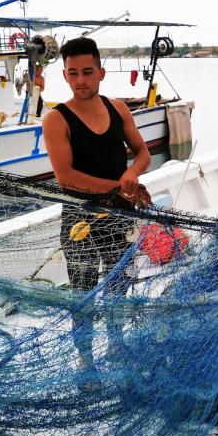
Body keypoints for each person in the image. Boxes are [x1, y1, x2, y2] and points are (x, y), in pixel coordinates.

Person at [42, 36, 151, 373]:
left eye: (87, 72)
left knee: (120, 286)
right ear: (65, 76)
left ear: (101, 72)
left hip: (121, 216)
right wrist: (123, 185)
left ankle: (117, 346)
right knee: (83, 297)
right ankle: (85, 360)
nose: (80, 81)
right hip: (81, 223)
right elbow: (67, 179)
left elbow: (143, 153)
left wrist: (133, 172)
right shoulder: (56, 119)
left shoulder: (117, 108)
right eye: (73, 73)